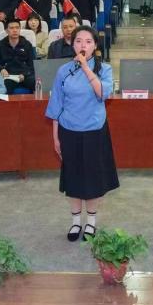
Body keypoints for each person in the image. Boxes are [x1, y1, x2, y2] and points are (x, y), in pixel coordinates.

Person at [46, 26, 118, 242]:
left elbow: (103, 93)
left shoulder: (104, 69)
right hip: (68, 130)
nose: (83, 45)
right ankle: (76, 221)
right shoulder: (63, 71)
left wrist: (86, 68)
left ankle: (91, 222)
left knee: (93, 179)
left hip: (94, 131)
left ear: (95, 46)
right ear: (72, 44)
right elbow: (56, 105)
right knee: (74, 179)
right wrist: (55, 136)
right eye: (78, 41)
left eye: (88, 41)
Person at [0, 17, 35, 94]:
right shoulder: (0, 45)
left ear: (20, 29)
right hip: (9, 76)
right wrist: (1, 69)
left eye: (17, 28)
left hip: (24, 75)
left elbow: (32, 64)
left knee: (35, 82)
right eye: (11, 28)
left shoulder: (27, 44)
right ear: (6, 30)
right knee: (4, 85)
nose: (15, 30)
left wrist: (25, 74)